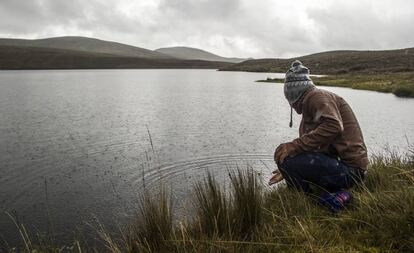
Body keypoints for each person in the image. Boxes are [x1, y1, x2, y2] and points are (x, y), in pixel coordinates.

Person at [269, 60, 368, 212]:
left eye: (289, 99)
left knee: (288, 158)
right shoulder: (314, 99)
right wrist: (288, 168)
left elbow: (334, 126)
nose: (291, 105)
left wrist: (293, 149)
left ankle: (303, 203)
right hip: (346, 169)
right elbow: (317, 145)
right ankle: (329, 195)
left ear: (293, 94)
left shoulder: (316, 97)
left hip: (350, 172)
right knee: (289, 159)